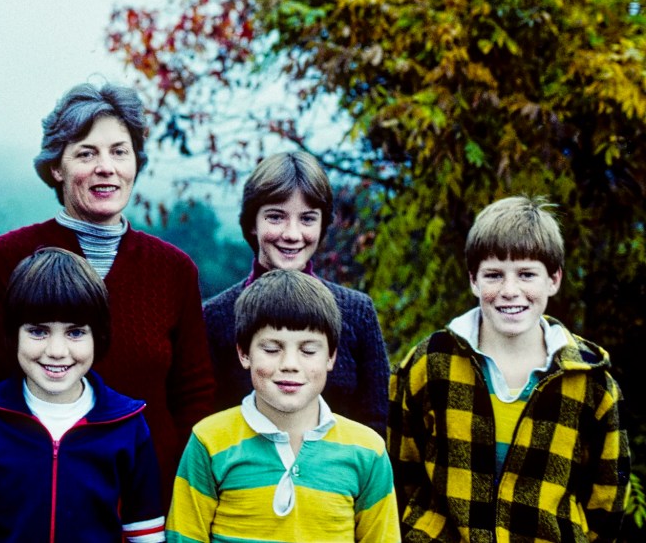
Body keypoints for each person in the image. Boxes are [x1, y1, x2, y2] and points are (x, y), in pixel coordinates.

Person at [0, 82, 215, 502]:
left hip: (148, 501)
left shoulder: (174, 270)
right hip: (37, 495)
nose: (107, 167)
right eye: (87, 153)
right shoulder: (6, 259)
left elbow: (194, 398)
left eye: (120, 152)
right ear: (57, 167)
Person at [387, 196, 631, 542]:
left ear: (554, 280)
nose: (510, 291)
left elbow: (606, 503)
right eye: (494, 275)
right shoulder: (429, 364)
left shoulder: (592, 383)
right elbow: (400, 474)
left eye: (527, 274)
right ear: (474, 280)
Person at [0, 247, 165, 543]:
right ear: (14, 335)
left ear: (97, 337)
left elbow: (146, 535)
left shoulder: (128, 426)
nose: (56, 351)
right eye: (38, 331)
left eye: (75, 332)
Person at [166, 269, 400, 543]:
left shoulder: (368, 451)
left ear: (331, 357)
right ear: (244, 353)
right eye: (272, 349)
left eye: (308, 350)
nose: (290, 364)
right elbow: (184, 537)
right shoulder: (209, 442)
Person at [203, 151, 390, 434]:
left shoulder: (357, 312)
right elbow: (204, 424)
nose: (292, 234)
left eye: (307, 219)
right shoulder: (215, 317)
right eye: (276, 217)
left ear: (322, 225)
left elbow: (378, 423)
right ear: (252, 223)